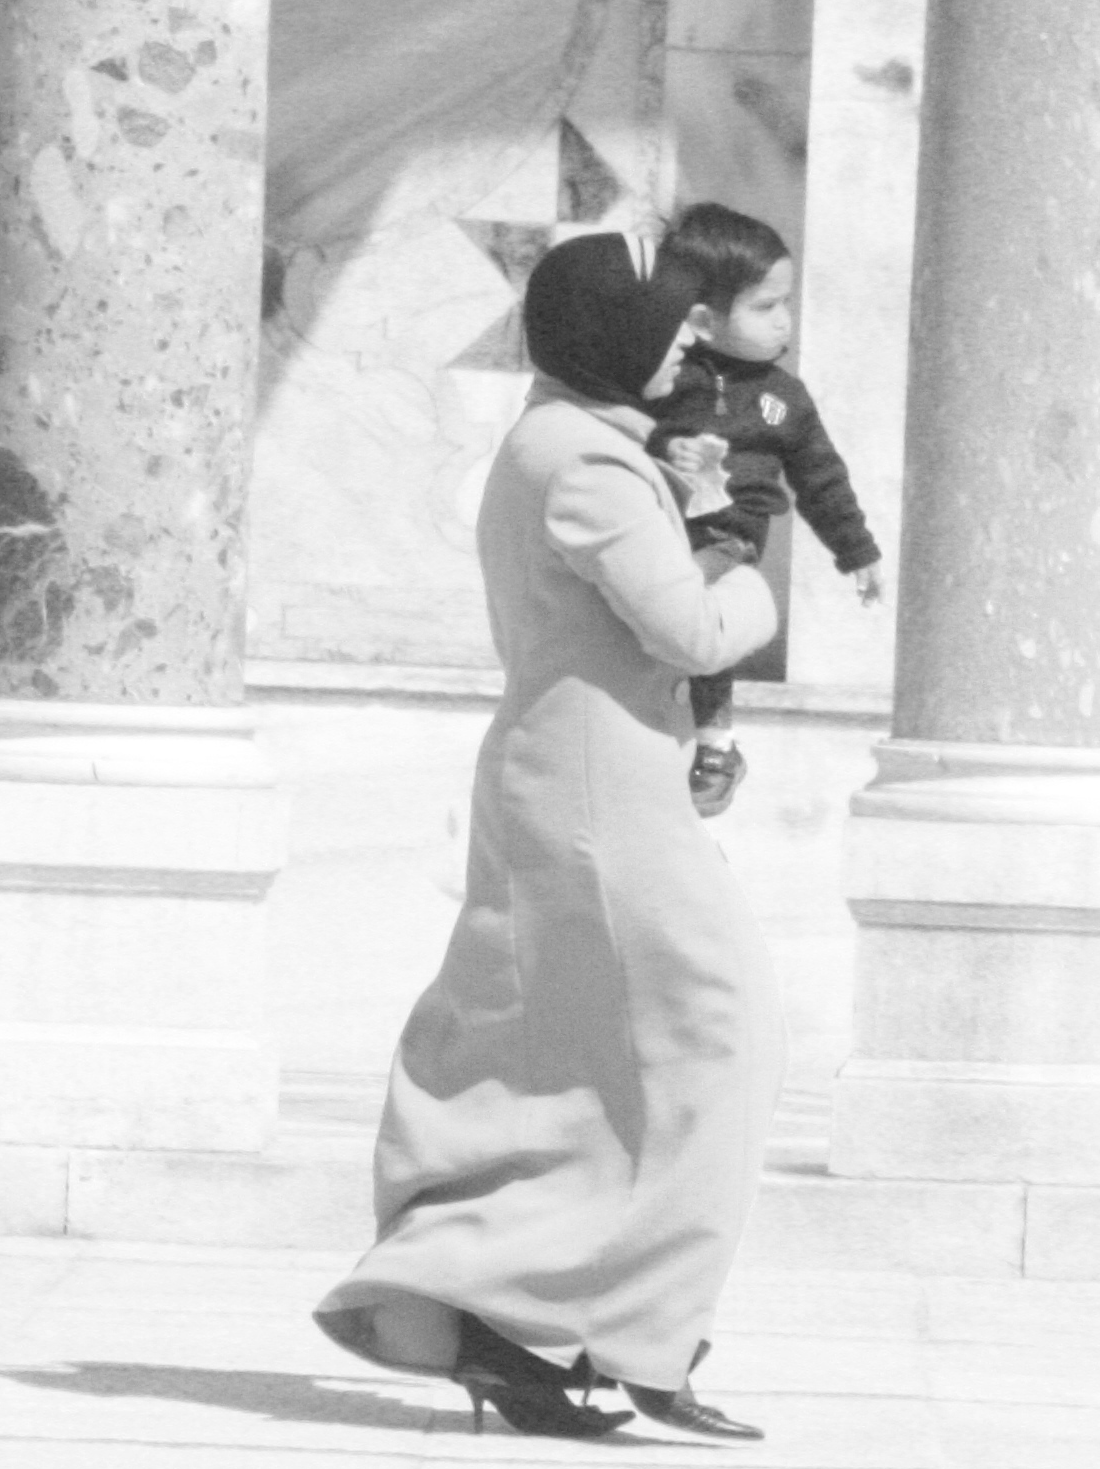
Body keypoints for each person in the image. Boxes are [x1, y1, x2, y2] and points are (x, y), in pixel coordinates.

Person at [312, 228, 779, 1443]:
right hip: (598, 798)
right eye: (669, 319)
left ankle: (494, 1317)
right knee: (716, 1038)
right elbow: (691, 630)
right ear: (611, 335)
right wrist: (749, 569)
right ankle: (637, 1330)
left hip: (588, 779)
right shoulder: (587, 464)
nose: (689, 337)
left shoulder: (569, 441)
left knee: (566, 1060)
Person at [641, 202, 881, 817]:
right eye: (765, 306)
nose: (784, 322)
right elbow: (624, 437)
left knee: (689, 605)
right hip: (656, 529)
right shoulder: (667, 377)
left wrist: (857, 551)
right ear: (703, 319)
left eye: (786, 303)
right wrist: (669, 450)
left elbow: (821, 478)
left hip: (726, 538)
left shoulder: (785, 399)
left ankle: (717, 743)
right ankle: (657, 725)